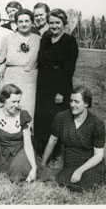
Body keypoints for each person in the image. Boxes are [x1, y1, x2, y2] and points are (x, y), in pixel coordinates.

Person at [41, 86, 106, 192]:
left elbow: (98, 155)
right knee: (62, 182)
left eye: (76, 102)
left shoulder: (96, 124)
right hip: (71, 161)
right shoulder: (62, 117)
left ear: (86, 103)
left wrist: (80, 171)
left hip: (90, 163)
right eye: (71, 101)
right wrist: (43, 164)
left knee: (89, 186)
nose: (72, 105)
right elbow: (52, 141)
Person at [34, 8, 79, 158]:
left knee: (55, 119)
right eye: (51, 23)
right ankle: (40, 151)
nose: (54, 26)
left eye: (57, 23)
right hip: (43, 86)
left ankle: (54, 153)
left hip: (59, 88)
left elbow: (69, 70)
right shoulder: (45, 39)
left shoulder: (69, 41)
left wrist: (61, 91)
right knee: (42, 118)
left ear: (64, 24)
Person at [0, 84, 52, 182]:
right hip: (5, 155)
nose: (17, 105)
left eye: (18, 101)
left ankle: (31, 170)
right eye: (13, 102)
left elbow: (27, 144)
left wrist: (34, 167)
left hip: (22, 151)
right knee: (9, 172)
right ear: (4, 99)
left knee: (18, 169)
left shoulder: (22, 115)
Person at [0, 9, 40, 129]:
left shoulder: (38, 39)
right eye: (20, 21)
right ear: (16, 23)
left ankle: (27, 144)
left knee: (27, 115)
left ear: (32, 23)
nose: (24, 24)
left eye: (27, 21)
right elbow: (0, 62)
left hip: (30, 81)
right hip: (11, 79)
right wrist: (0, 86)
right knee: (9, 112)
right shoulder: (7, 39)